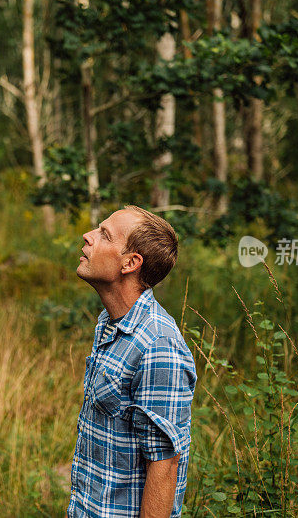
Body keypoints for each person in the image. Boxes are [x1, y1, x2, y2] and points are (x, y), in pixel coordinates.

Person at [68, 205, 197, 518]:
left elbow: (164, 465)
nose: (88, 237)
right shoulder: (110, 321)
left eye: (104, 235)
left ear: (130, 263)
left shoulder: (158, 344)